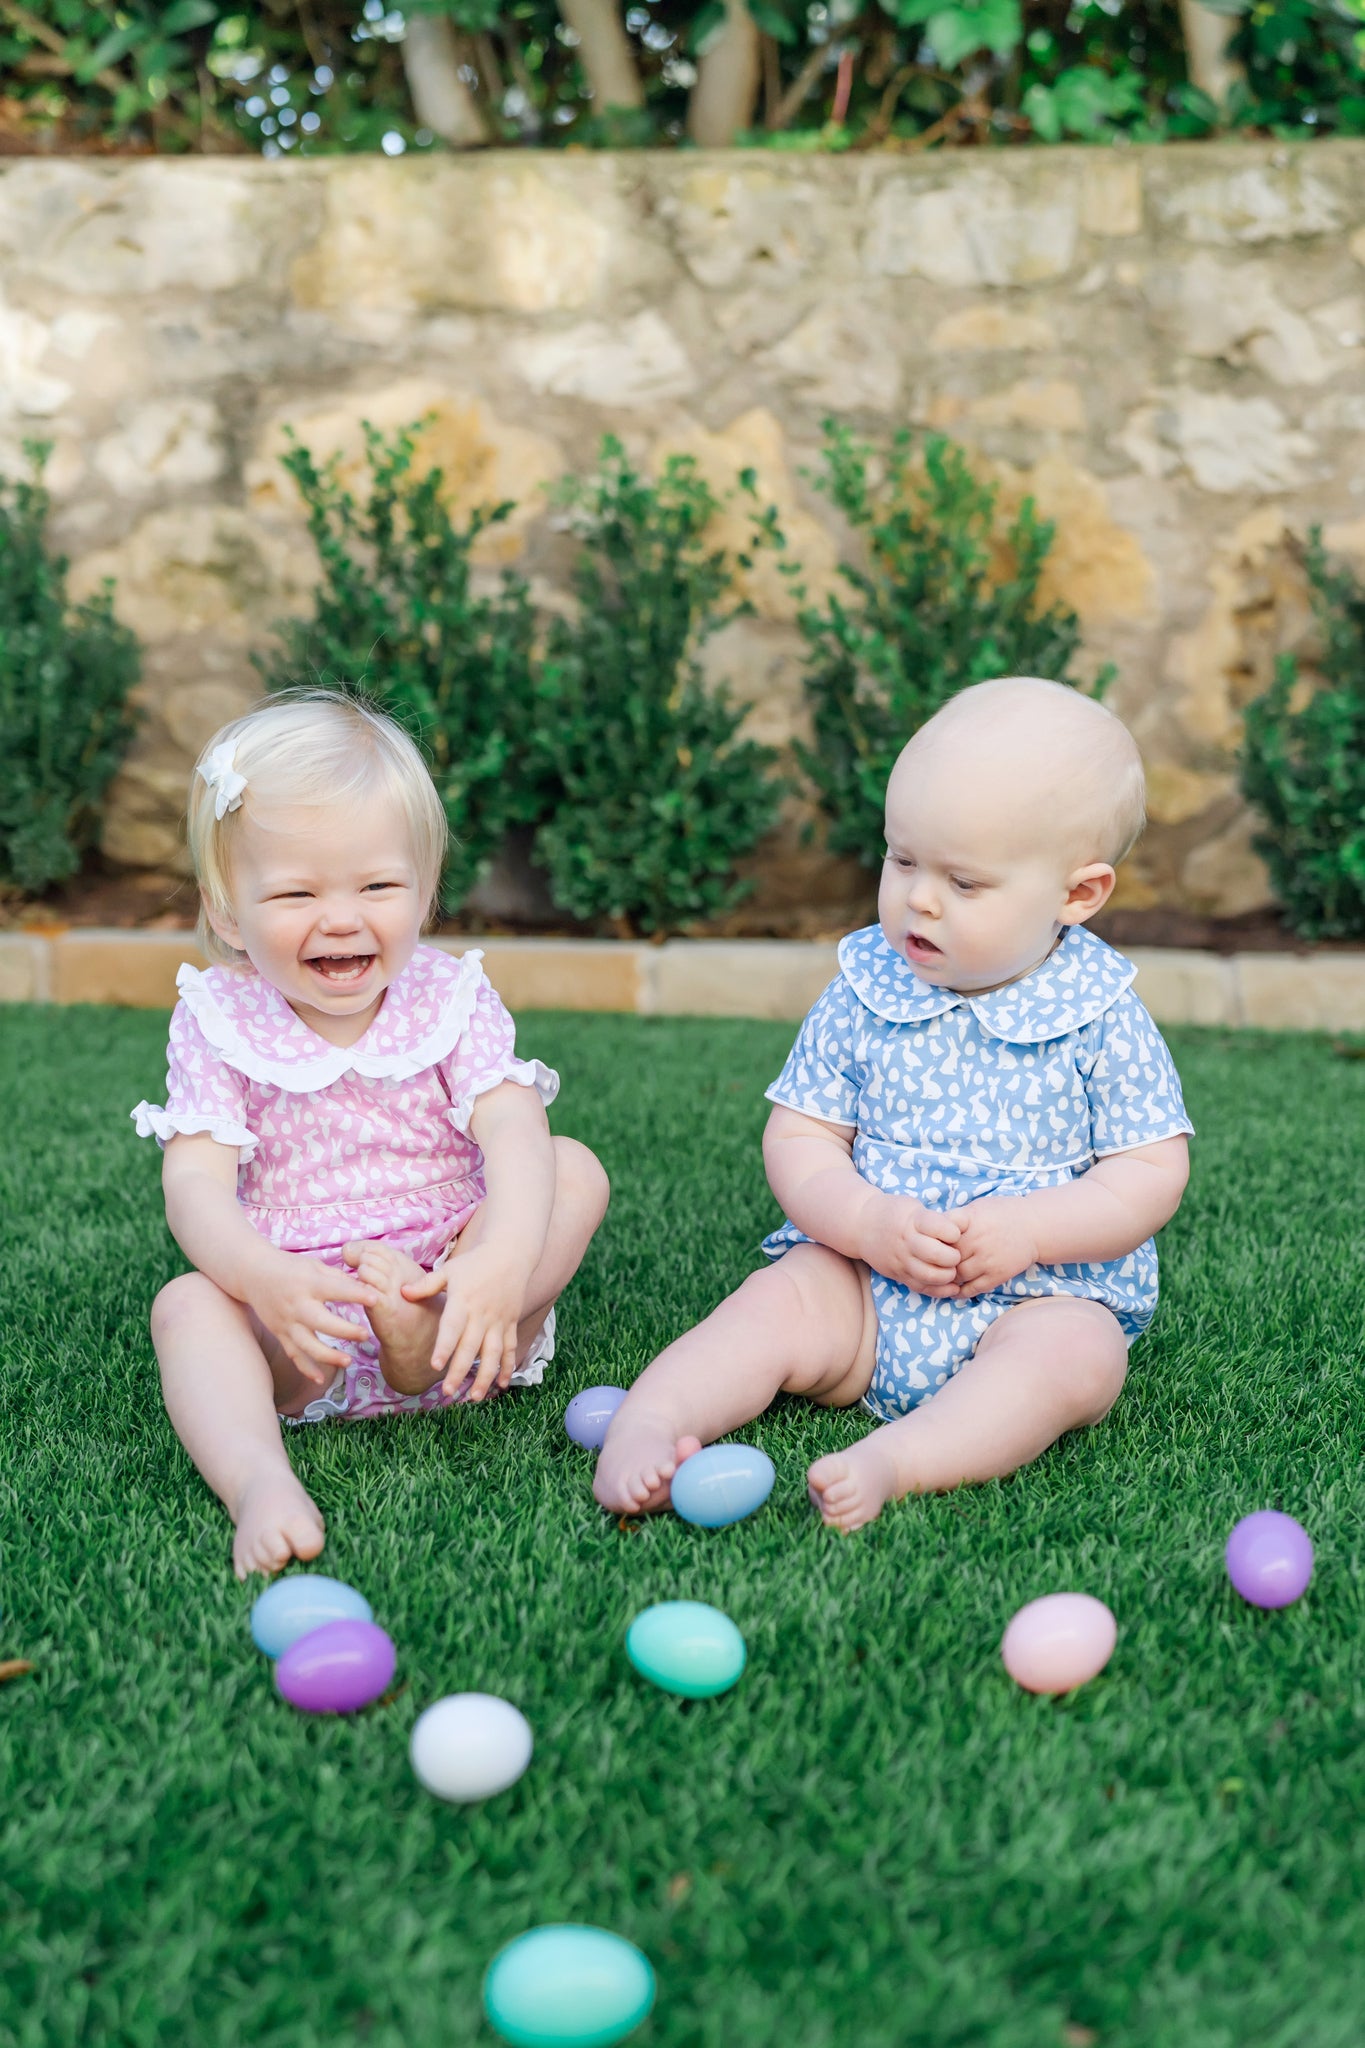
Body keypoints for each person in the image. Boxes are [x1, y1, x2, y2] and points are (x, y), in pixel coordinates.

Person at [594, 676, 1191, 1532]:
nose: (918, 898)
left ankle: (898, 1460)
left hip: (1033, 1294)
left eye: (965, 882)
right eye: (902, 859)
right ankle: (652, 1420)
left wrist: (1028, 1231)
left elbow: (1146, 1174)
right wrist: (864, 1221)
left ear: (1076, 895)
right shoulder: (866, 987)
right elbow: (800, 1135)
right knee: (775, 1303)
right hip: (864, 1283)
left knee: (1079, 1359)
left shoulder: (1099, 1014)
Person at [133, 690, 608, 1578]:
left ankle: (438, 1341)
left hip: (458, 1292)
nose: (342, 917)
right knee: (188, 1307)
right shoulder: (217, 1016)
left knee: (570, 1168)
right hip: (301, 1312)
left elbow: (511, 1125)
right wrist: (261, 1279)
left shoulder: (448, 994)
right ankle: (259, 1483)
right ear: (229, 911)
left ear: (424, 892)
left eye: (378, 886)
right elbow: (194, 1184)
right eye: (297, 892)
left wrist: (498, 1265)